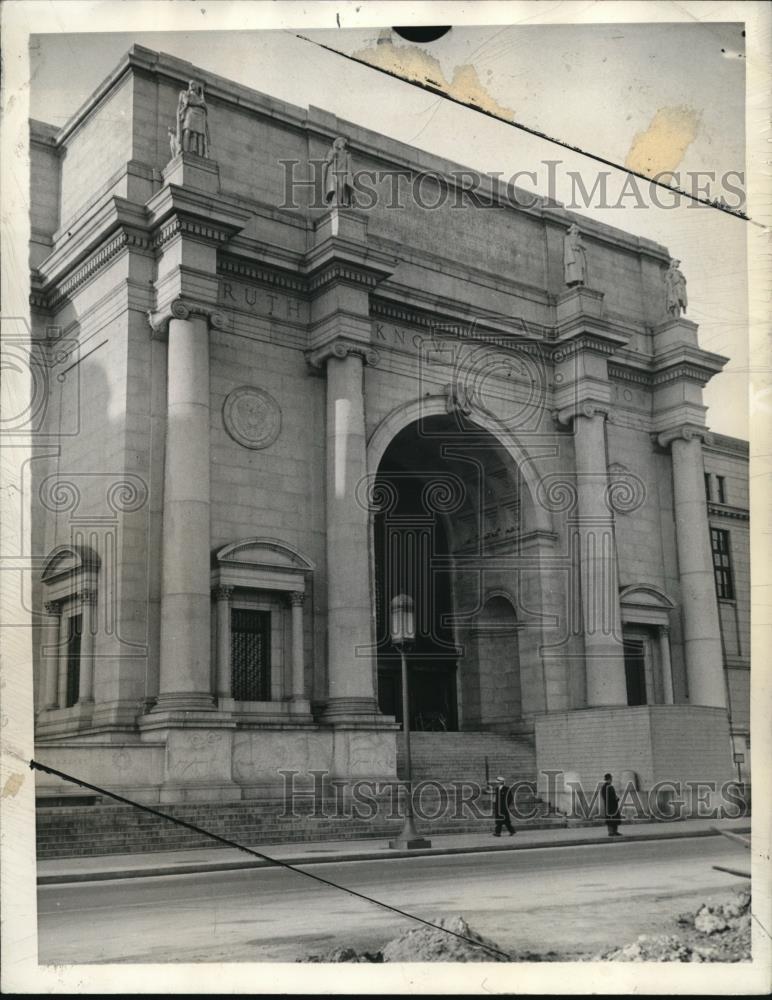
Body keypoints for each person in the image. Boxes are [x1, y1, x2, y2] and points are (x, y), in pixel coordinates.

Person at [177, 80, 209, 158]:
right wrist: (199, 104)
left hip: (199, 116)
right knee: (187, 131)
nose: (192, 85)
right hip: (190, 113)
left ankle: (201, 154)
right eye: (191, 84)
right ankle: (185, 150)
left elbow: (205, 107)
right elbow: (187, 102)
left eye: (194, 84)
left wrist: (202, 103)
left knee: (200, 135)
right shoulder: (186, 93)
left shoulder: (200, 97)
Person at [323, 136, 353, 207]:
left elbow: (349, 166)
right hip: (336, 173)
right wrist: (333, 155)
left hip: (343, 173)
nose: (343, 144)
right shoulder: (333, 152)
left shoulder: (347, 154)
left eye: (344, 143)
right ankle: (337, 201)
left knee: (342, 186)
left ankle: (343, 201)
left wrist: (350, 174)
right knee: (336, 186)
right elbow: (328, 162)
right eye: (342, 142)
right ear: (338, 143)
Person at [602, 772, 622, 837]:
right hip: (611, 805)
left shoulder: (604, 787)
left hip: (610, 805)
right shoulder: (609, 787)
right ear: (609, 779)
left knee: (612, 818)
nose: (611, 780)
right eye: (611, 778)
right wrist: (616, 799)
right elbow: (611, 796)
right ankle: (612, 832)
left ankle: (613, 832)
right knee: (612, 819)